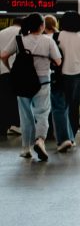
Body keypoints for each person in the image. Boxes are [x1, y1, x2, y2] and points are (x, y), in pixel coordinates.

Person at [1, 13, 62, 161]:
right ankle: (40, 141)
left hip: (22, 82)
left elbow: (3, 55)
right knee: (42, 113)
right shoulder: (48, 41)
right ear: (42, 26)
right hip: (43, 82)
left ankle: (25, 148)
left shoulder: (19, 40)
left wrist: (10, 69)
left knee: (25, 115)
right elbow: (58, 61)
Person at [50, 11, 80, 151]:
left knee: (59, 107)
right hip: (77, 75)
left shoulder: (56, 36)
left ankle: (63, 139)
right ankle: (71, 138)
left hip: (59, 75)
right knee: (73, 107)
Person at [0, 17, 22, 138]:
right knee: (19, 100)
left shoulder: (1, 33)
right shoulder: (22, 34)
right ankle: (16, 125)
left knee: (3, 100)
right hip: (19, 72)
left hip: (3, 71)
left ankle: (3, 128)